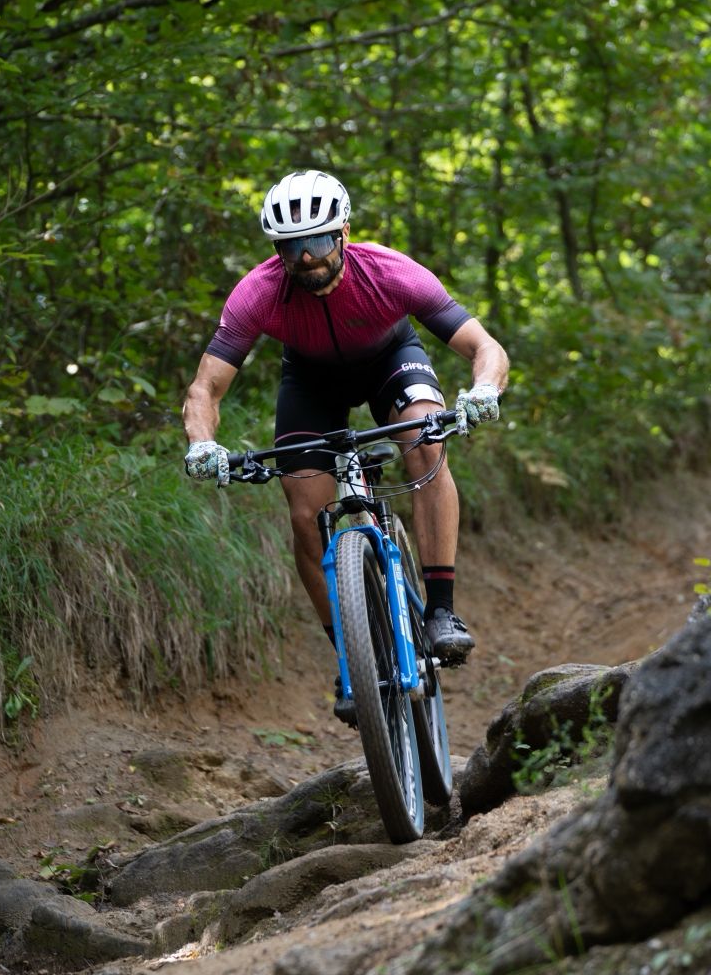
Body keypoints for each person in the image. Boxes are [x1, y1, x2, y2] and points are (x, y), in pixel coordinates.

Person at [180, 169, 509, 725]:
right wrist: (201, 443)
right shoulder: (258, 292)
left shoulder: (390, 272)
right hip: (311, 383)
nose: (305, 258)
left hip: (391, 362)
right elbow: (205, 388)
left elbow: (484, 346)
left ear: (343, 234)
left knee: (424, 444)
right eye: (290, 246)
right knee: (305, 508)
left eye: (316, 241)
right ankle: (352, 658)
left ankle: (442, 613)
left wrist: (482, 388)